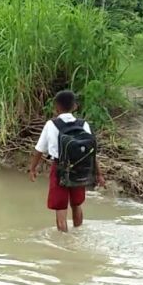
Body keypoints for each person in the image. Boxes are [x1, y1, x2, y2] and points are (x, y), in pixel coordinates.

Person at [28, 90, 105, 233]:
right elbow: (91, 151)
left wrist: (32, 169)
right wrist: (99, 174)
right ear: (74, 106)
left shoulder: (51, 124)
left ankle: (64, 241)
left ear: (56, 107)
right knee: (76, 204)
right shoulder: (84, 124)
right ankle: (78, 234)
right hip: (80, 168)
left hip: (59, 169)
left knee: (60, 208)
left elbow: (39, 149)